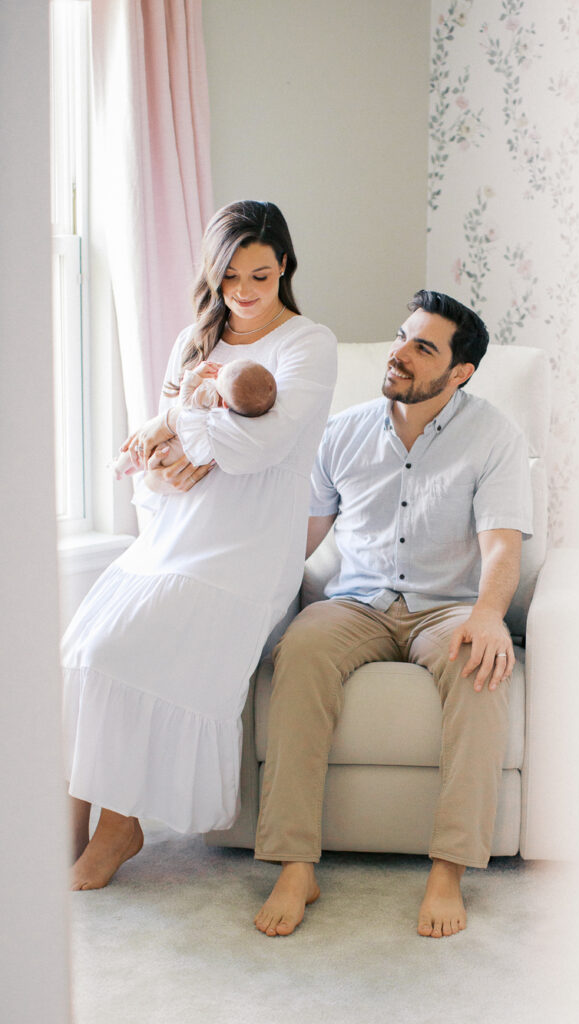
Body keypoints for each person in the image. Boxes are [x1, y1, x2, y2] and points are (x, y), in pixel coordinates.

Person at [63, 200, 336, 891]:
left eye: (261, 277)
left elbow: (258, 450)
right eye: (231, 278)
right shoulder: (195, 341)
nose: (244, 293)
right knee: (80, 652)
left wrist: (189, 422)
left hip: (246, 554)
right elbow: (167, 464)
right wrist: (169, 459)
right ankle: (61, 828)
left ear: (286, 272)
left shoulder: (308, 345)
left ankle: (120, 826)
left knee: (118, 651)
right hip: (174, 537)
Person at [253, 289, 533, 939]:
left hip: (448, 609)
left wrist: (490, 615)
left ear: (460, 371)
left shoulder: (494, 435)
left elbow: (501, 545)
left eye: (422, 347)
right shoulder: (342, 432)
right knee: (300, 650)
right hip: (356, 602)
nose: (399, 354)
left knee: (483, 668)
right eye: (402, 337)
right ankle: (296, 865)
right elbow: (301, 538)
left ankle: (448, 869)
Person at [111, 359, 277, 480]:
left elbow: (186, 404)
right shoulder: (240, 409)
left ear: (225, 403)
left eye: (222, 373)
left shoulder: (212, 395)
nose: (220, 370)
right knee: (148, 458)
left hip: (174, 444)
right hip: (187, 456)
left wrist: (194, 376)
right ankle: (130, 468)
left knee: (141, 448)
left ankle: (118, 468)